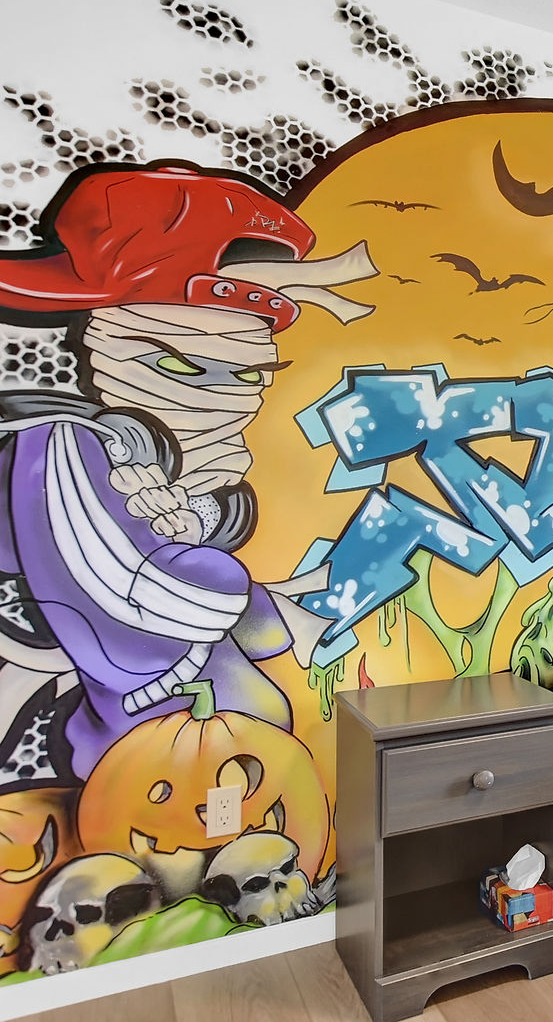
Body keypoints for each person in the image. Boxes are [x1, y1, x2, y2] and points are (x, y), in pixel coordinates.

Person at [0, 165, 376, 777]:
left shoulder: (175, 467)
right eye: (180, 366)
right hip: (136, 765)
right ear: (101, 343)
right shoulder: (59, 449)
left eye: (248, 374)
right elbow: (169, 601)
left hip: (216, 753)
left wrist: (202, 515)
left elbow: (218, 561)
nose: (225, 396)